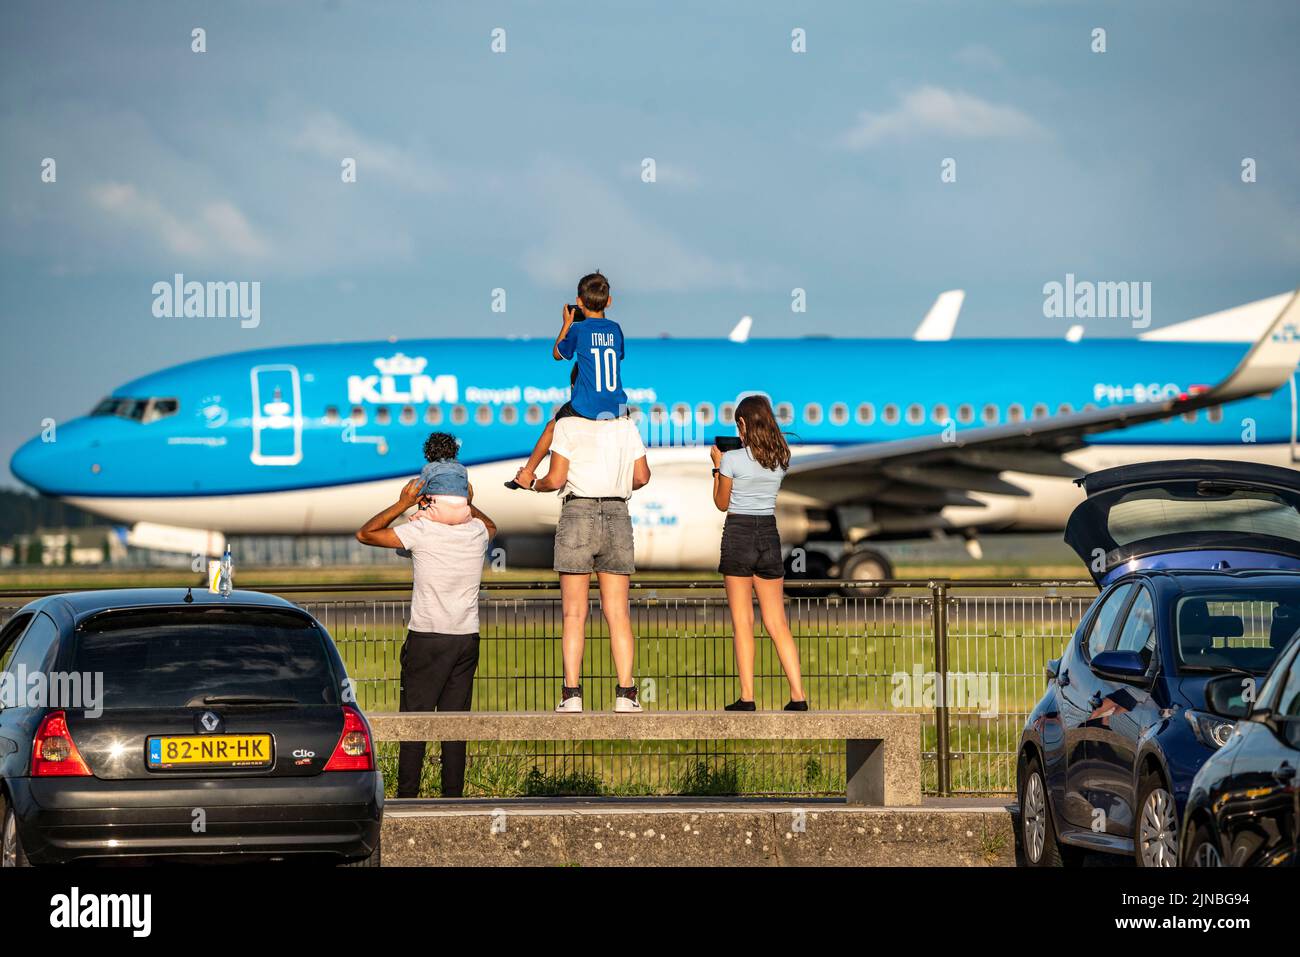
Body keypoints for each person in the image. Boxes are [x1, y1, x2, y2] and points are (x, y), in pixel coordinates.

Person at [355, 463, 497, 797]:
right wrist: (469, 501)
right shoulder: (476, 532)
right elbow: (491, 524)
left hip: (427, 637)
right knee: (455, 725)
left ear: (427, 498)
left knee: (413, 724)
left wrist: (402, 504)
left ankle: (407, 797)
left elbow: (366, 533)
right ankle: (453, 798)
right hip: (465, 638)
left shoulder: (421, 531)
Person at [530, 411, 651, 712]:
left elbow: (556, 478)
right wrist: (613, 484)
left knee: (574, 613)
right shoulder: (626, 427)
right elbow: (642, 476)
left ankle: (571, 694)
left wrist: (534, 483)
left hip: (577, 512)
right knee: (618, 613)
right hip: (617, 512)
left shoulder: (567, 425)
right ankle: (626, 693)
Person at [709, 394, 808, 711]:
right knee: (777, 622)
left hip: (738, 533)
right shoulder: (779, 459)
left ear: (742, 424)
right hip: (768, 533)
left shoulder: (731, 460)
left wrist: (716, 468)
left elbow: (722, 503)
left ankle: (748, 697)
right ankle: (798, 696)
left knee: (742, 622)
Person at [514, 271, 626, 490]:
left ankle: (527, 473)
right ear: (609, 301)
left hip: (588, 404)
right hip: (616, 405)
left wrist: (567, 324)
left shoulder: (579, 329)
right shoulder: (616, 330)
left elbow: (557, 354)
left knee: (550, 428)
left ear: (578, 301)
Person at [408, 432, 472, 525]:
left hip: (440, 513)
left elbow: (418, 489)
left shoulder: (429, 467)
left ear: (429, 453)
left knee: (413, 520)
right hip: (464, 514)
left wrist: (412, 482)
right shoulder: (462, 469)